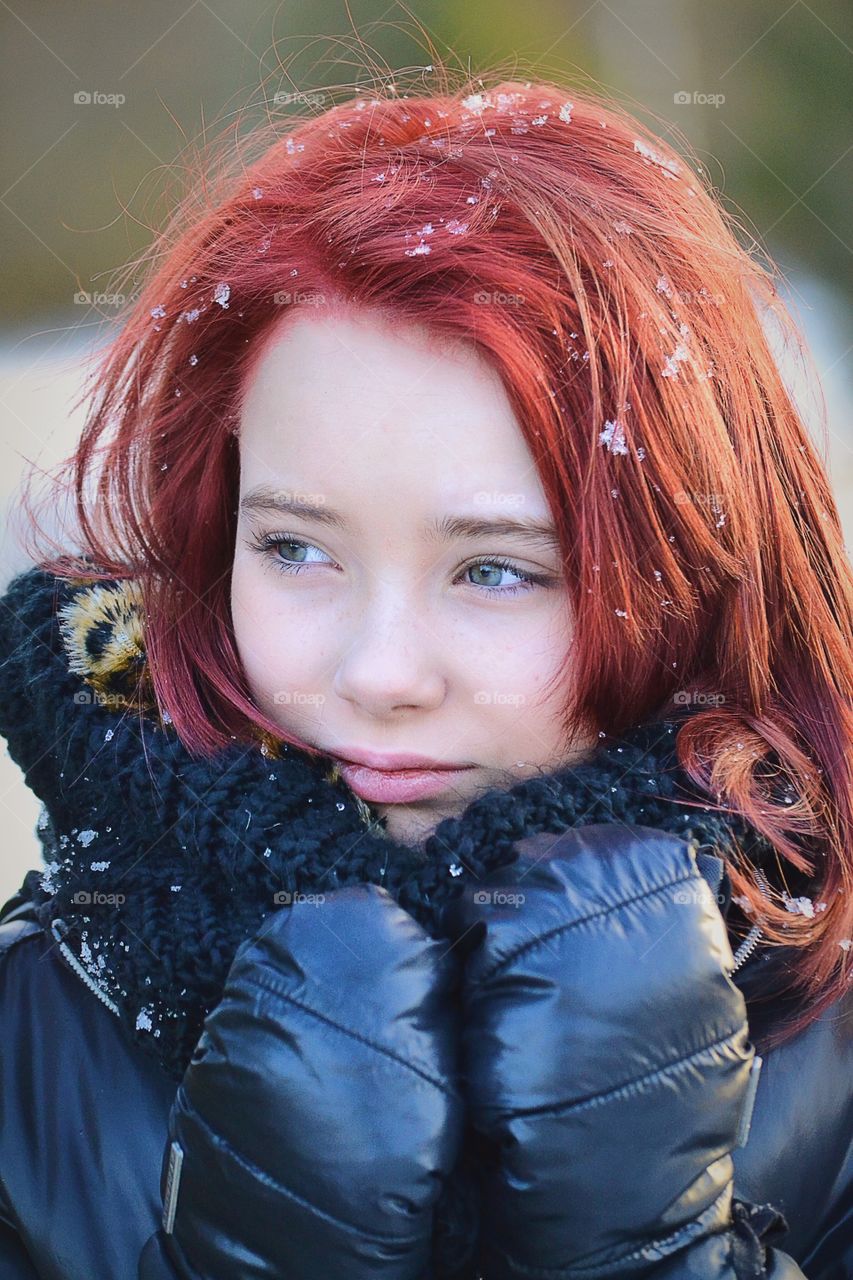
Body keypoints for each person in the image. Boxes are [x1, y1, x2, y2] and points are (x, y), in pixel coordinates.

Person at [0, 66, 850, 1279]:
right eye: (295, 549)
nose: (378, 671)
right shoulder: (35, 1030)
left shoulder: (829, 1043)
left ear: (691, 569)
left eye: (495, 569)